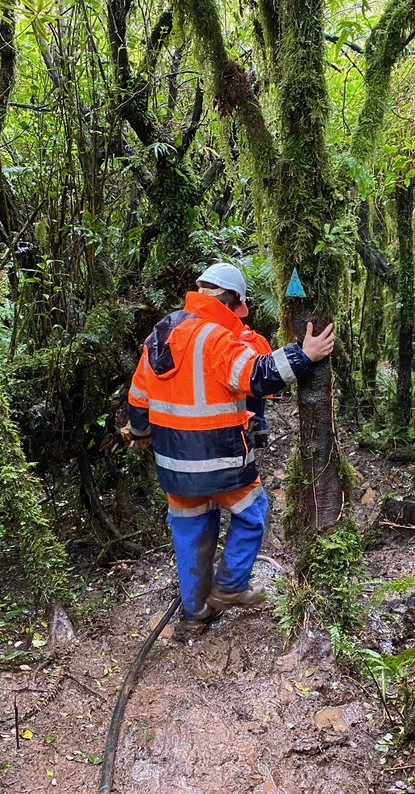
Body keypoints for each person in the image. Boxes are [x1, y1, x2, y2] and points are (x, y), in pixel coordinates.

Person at [126, 262, 335, 638]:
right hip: (219, 457)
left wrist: (140, 432)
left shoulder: (161, 333)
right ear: (233, 300)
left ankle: (194, 617)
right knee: (254, 512)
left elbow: (138, 396)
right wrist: (306, 355)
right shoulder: (217, 337)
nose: (242, 316)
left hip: (174, 464)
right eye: (241, 307)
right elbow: (258, 375)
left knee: (190, 531)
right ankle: (231, 583)